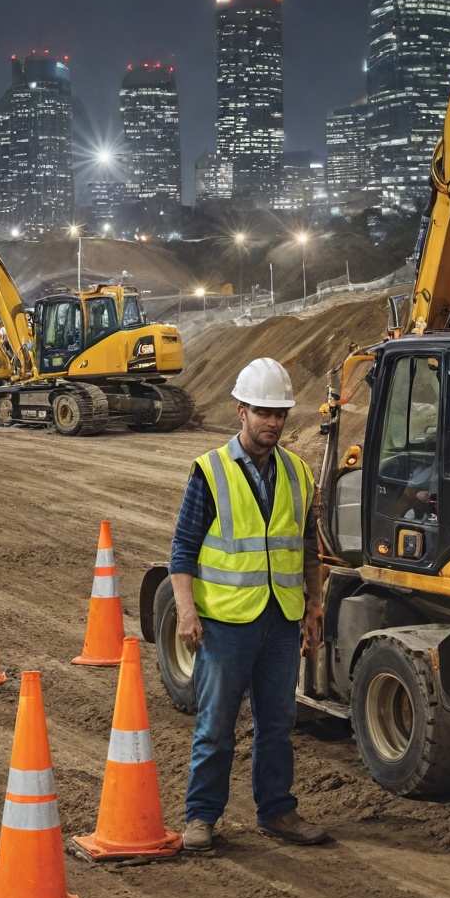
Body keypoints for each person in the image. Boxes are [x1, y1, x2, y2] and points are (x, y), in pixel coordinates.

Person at [168, 357, 328, 852]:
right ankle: (201, 817)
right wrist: (187, 612)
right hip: (226, 624)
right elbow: (183, 549)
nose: (273, 422)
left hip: (280, 619)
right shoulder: (211, 472)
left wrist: (315, 604)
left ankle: (277, 811)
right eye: (263, 412)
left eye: (280, 413)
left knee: (277, 725)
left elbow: (307, 546)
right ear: (241, 411)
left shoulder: (299, 473)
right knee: (215, 726)